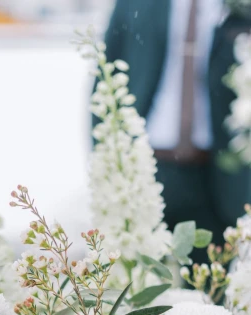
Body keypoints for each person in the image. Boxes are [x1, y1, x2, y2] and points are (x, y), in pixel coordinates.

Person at [104, 0, 251, 243]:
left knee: (210, 276)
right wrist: (107, 159)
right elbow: (107, 74)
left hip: (217, 174)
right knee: (139, 275)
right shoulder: (134, 4)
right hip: (146, 165)